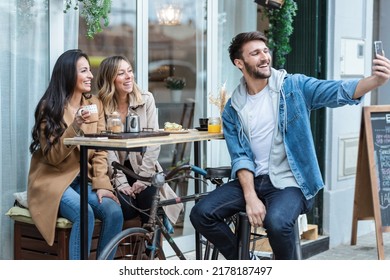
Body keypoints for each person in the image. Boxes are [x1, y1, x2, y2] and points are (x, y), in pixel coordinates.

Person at [190, 31, 390, 260]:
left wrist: (375, 81)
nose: (265, 57)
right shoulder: (233, 108)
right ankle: (245, 262)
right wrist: (251, 196)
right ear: (239, 63)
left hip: (291, 181)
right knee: (201, 213)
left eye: (265, 51)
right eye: (255, 53)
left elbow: (336, 91)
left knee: (277, 222)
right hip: (255, 179)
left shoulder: (293, 87)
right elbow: (240, 157)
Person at [27, 49, 124, 260]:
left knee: (114, 212)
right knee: (84, 213)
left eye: (90, 70)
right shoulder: (49, 107)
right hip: (54, 181)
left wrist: (102, 184)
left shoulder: (94, 104)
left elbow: (99, 150)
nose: (90, 75)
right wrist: (76, 125)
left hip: (84, 181)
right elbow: (53, 157)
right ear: (69, 74)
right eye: (84, 70)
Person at [96, 55, 183, 226]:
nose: (129, 76)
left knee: (151, 205)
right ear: (110, 79)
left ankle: (151, 251)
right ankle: (131, 247)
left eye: (130, 71)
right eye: (121, 73)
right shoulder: (101, 106)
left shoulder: (146, 99)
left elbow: (153, 142)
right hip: (116, 171)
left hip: (144, 169)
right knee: (127, 209)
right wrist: (120, 182)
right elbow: (107, 149)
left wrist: (143, 179)